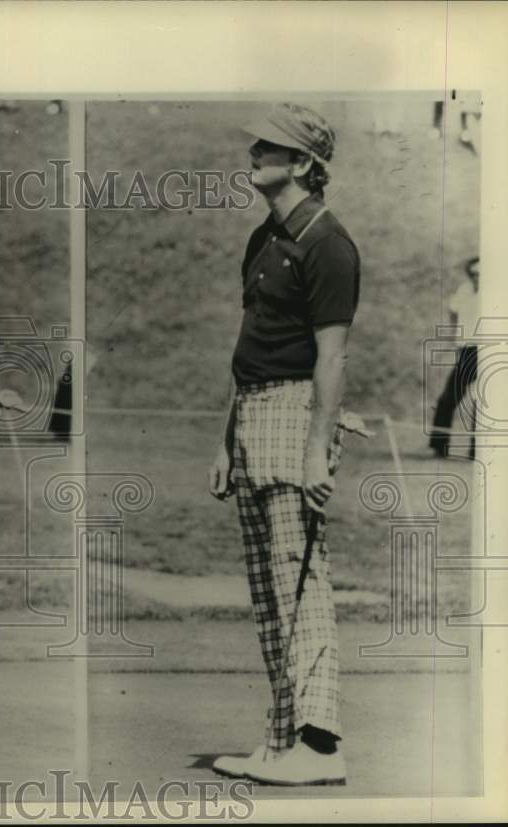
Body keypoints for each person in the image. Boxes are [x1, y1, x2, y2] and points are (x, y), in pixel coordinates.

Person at [208, 103, 362, 786]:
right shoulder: (262, 238)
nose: (254, 154)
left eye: (270, 148)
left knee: (302, 580)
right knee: (271, 586)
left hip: (298, 410)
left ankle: (321, 745)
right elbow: (250, 349)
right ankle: (282, 738)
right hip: (252, 416)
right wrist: (225, 440)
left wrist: (315, 448)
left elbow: (331, 359)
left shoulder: (329, 244)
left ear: (303, 162)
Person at [430, 257, 480, 459]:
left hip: (487, 351)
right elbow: (453, 310)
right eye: (474, 273)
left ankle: (477, 451)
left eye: (481, 274)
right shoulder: (464, 290)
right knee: (447, 400)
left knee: (482, 402)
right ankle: (439, 446)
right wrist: (456, 336)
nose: (477, 277)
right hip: (466, 351)